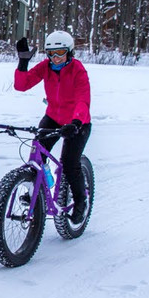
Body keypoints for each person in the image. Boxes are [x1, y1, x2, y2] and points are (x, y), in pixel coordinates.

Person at [15, 30, 91, 223]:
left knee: (69, 163)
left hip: (77, 122)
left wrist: (75, 122)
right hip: (53, 118)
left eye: (60, 53)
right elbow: (21, 86)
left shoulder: (78, 70)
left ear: (70, 52)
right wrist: (23, 61)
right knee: (37, 155)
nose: (55, 58)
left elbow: (83, 99)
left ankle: (81, 202)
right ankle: (36, 190)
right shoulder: (45, 67)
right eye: (51, 54)